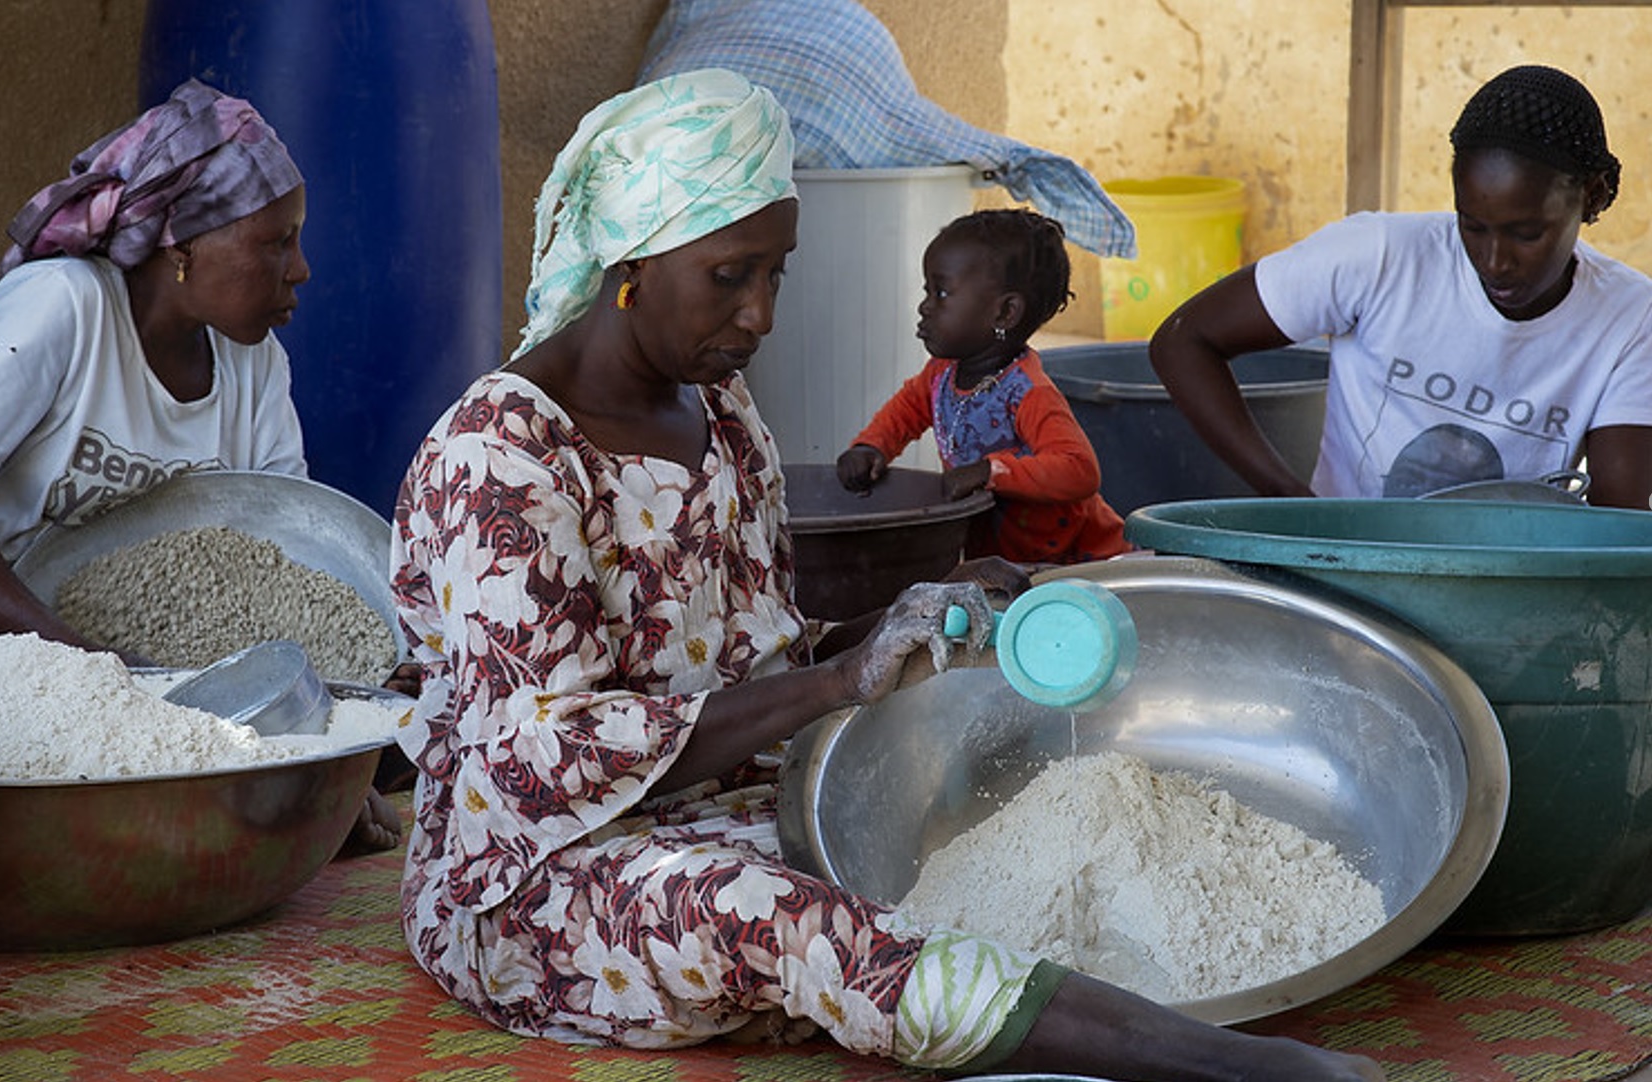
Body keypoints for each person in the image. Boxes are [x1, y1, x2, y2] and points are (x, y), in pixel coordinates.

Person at [390, 67, 1382, 1082]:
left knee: (988, 814)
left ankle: (1008, 1008)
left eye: (776, 272)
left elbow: (757, 652)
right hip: (533, 874)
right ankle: (1221, 1065)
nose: (762, 312)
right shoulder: (505, 458)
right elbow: (536, 758)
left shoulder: (722, 415)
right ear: (634, 259)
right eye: (730, 274)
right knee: (763, 913)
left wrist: (899, 627)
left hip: (736, 806)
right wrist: (832, 681)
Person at [0, 78, 401, 851]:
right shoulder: (65, 306)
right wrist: (84, 665)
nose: (302, 270)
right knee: (1, 790)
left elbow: (282, 560)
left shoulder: (253, 363)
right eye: (274, 242)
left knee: (408, 721)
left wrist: (308, 743)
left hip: (137, 659)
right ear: (181, 246)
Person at [1148, 63, 1652, 508]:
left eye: (1526, 234)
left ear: (1592, 197)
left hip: (1509, 588)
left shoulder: (1630, 316)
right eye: (1472, 226)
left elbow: (1618, 518)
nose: (1494, 262)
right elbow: (1183, 339)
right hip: (1347, 571)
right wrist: (1293, 499)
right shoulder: (1379, 257)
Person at [836, 208, 1131, 564]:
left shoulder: (1027, 393)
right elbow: (905, 412)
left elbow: (1079, 470)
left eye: (942, 293)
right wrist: (871, 448)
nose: (924, 307)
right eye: (928, 291)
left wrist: (991, 472)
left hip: (1079, 560)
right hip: (1005, 556)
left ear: (1005, 313)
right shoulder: (941, 374)